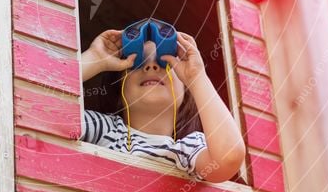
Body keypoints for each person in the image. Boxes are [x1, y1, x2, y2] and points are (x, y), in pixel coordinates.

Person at [80, 29, 245, 183]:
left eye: (165, 63)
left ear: (186, 92)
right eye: (137, 62)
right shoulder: (103, 129)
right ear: (119, 90)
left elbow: (229, 158)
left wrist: (196, 77)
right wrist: (95, 58)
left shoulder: (185, 150)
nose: (151, 66)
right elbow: (54, 111)